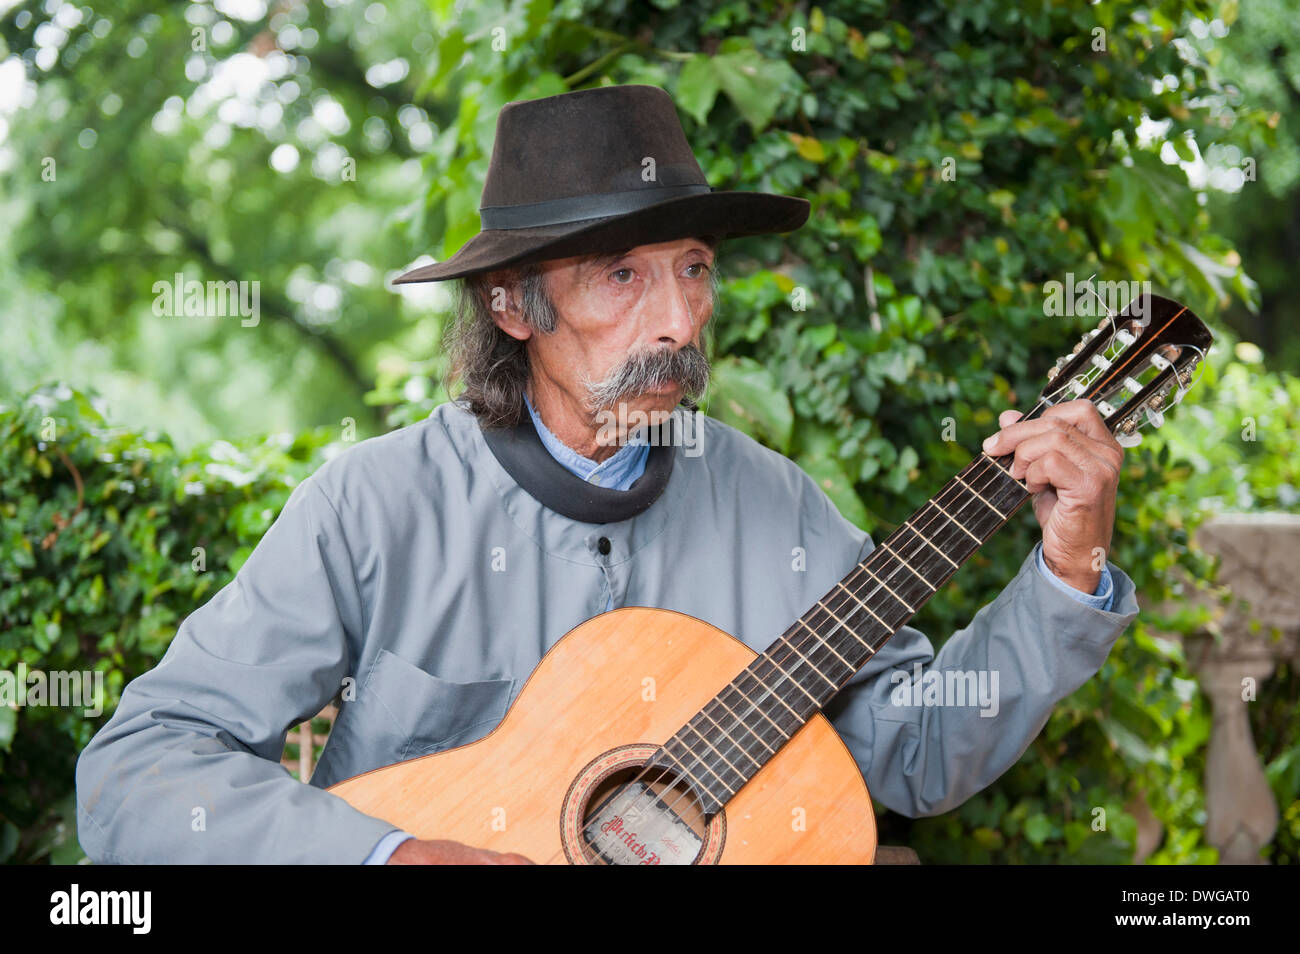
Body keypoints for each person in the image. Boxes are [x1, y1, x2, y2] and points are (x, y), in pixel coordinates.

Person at [76, 84, 1137, 865]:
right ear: (510, 306)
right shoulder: (373, 508)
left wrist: (1066, 573)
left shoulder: (775, 508)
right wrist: (385, 856)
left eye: (693, 269)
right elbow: (141, 768)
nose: (677, 321)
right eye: (620, 276)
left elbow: (911, 754)